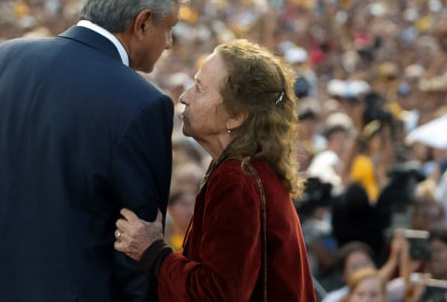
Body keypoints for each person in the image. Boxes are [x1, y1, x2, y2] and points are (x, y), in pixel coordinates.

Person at [0, 0, 191, 301]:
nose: (169, 42)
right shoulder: (143, 103)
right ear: (141, 23)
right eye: (169, 28)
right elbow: (134, 251)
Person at [114, 39, 316, 300]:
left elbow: (217, 294)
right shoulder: (247, 164)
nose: (185, 97)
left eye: (200, 88)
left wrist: (153, 251)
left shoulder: (237, 177)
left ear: (236, 116)